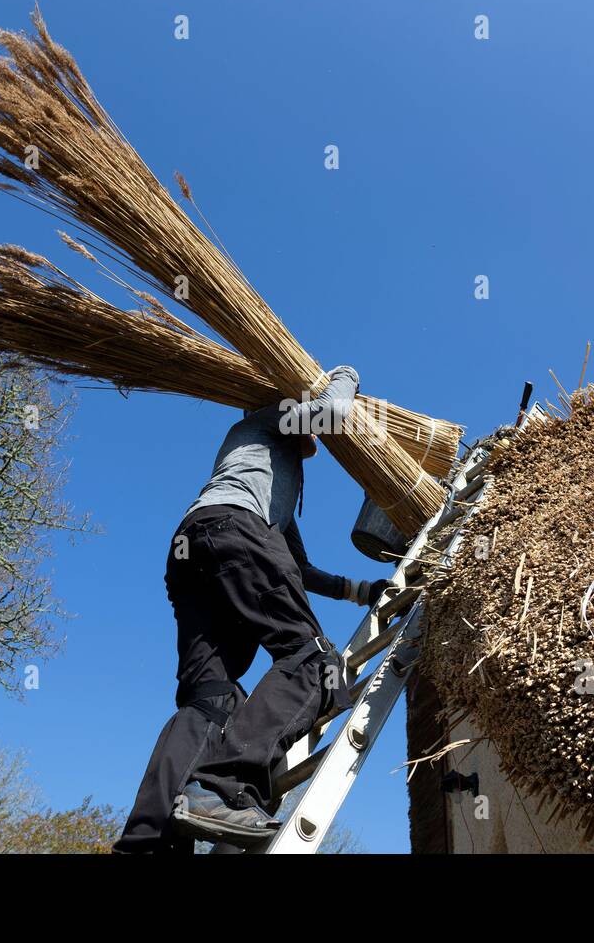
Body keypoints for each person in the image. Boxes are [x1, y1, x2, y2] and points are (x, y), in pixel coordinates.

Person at [114, 365, 391, 852]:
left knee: (209, 700)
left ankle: (147, 840)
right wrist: (347, 375)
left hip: (198, 545)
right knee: (314, 663)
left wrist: (363, 592)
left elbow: (299, 569)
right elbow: (333, 414)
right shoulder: (268, 421)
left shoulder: (268, 475)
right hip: (232, 531)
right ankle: (224, 787)